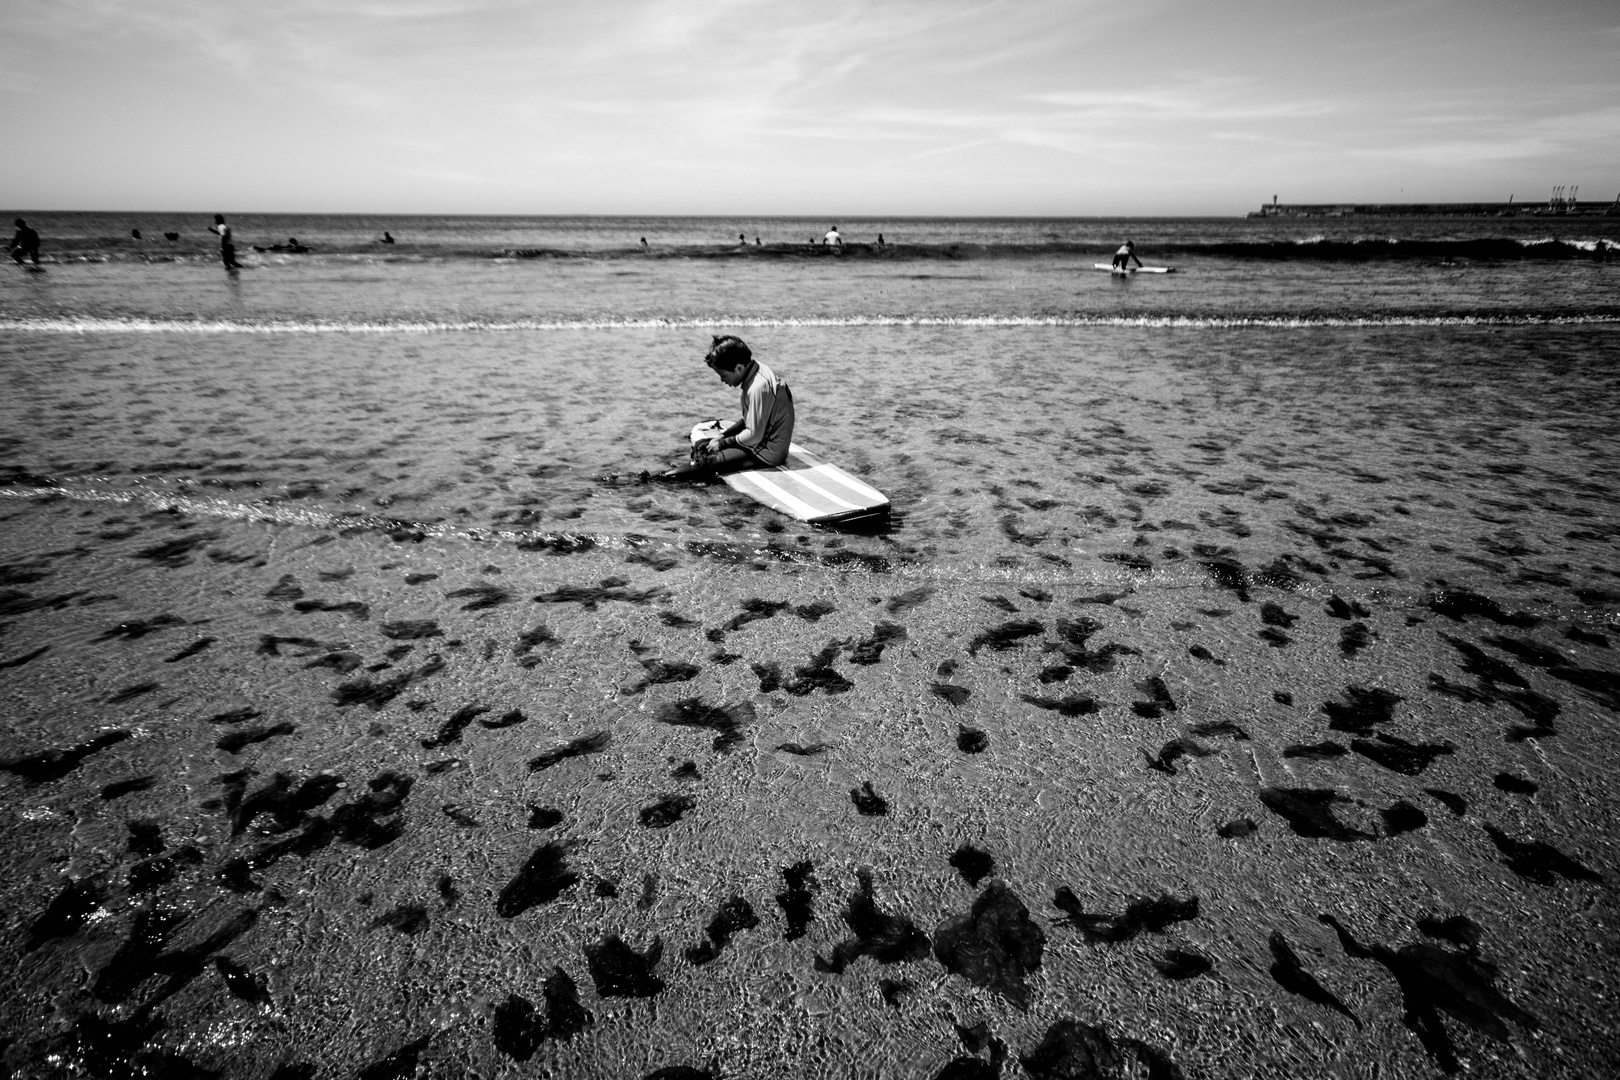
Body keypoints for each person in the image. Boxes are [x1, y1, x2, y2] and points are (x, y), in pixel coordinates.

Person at [661, 335, 795, 479]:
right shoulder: (756, 372)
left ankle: (659, 479)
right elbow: (749, 420)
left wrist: (722, 444)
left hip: (767, 453)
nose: (722, 380)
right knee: (701, 445)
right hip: (759, 441)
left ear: (739, 368)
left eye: (723, 375)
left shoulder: (758, 387)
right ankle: (696, 472)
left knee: (708, 461)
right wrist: (722, 436)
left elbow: (753, 435)